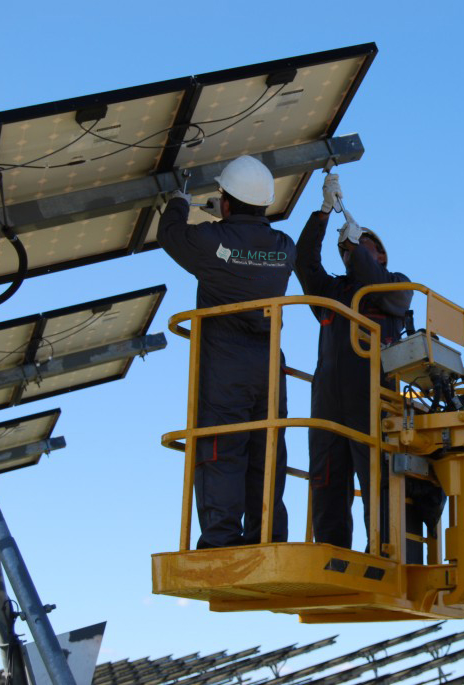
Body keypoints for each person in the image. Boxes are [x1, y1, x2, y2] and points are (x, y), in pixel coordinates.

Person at [158, 155, 295, 549]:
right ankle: (268, 537)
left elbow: (171, 235)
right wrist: (231, 219)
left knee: (220, 449)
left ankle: (220, 539)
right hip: (269, 367)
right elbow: (253, 246)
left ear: (227, 201)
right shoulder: (284, 248)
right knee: (266, 450)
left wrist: (180, 201)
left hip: (225, 363)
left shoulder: (210, 242)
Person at [295, 174, 413, 555]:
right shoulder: (332, 292)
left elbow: (372, 276)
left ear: (380, 256)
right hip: (328, 401)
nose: (354, 248)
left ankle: (383, 551)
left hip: (374, 399)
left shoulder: (395, 288)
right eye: (348, 247)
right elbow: (304, 262)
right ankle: (332, 553)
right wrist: (324, 214)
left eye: (366, 244)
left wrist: (356, 245)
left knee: (377, 477)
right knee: (327, 478)